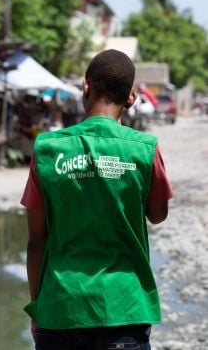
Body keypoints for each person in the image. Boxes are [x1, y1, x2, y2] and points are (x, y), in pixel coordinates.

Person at [21, 49, 173, 350]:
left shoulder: (48, 148)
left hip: (60, 308)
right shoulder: (144, 148)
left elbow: (36, 240)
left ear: (86, 87)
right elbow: (157, 214)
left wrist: (38, 306)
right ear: (131, 98)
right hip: (125, 309)